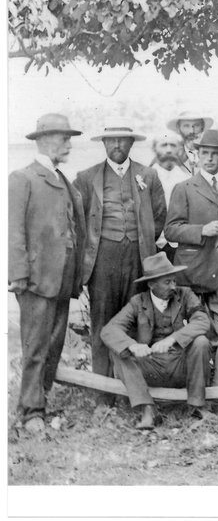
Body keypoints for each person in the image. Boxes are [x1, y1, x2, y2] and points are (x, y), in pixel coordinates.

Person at [8, 113, 87, 433]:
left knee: (54, 346)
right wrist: (19, 274)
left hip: (63, 279)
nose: (69, 144)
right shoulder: (23, 178)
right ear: (42, 140)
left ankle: (38, 401)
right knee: (36, 346)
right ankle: (31, 413)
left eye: (70, 139)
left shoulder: (63, 180)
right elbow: (13, 232)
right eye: (63, 138)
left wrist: (76, 278)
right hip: (37, 280)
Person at [74, 123, 167, 384]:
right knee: (102, 321)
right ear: (103, 143)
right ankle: (103, 388)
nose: (116, 145)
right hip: (103, 259)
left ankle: (134, 386)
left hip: (138, 259)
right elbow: (77, 220)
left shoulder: (148, 175)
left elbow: (160, 215)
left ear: (131, 143)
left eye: (122, 140)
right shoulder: (86, 177)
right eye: (111, 140)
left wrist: (143, 241)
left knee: (137, 320)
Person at [164, 128, 218, 386]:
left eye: (215, 154)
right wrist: (202, 230)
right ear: (196, 156)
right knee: (197, 333)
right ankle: (197, 387)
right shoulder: (184, 188)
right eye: (205, 153)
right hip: (194, 273)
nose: (210, 159)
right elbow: (171, 229)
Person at [99, 254, 212, 430]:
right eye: (167, 282)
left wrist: (173, 339)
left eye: (174, 281)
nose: (173, 286)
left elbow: (203, 321)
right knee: (118, 350)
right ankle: (148, 410)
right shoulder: (138, 302)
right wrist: (133, 345)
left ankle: (197, 406)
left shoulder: (186, 295)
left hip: (181, 365)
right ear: (152, 284)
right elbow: (108, 330)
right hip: (151, 367)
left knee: (201, 342)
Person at [166, 110, 214, 176]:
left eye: (196, 125)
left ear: (202, 127)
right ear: (178, 128)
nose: (192, 131)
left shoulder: (217, 152)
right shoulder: (170, 154)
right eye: (186, 126)